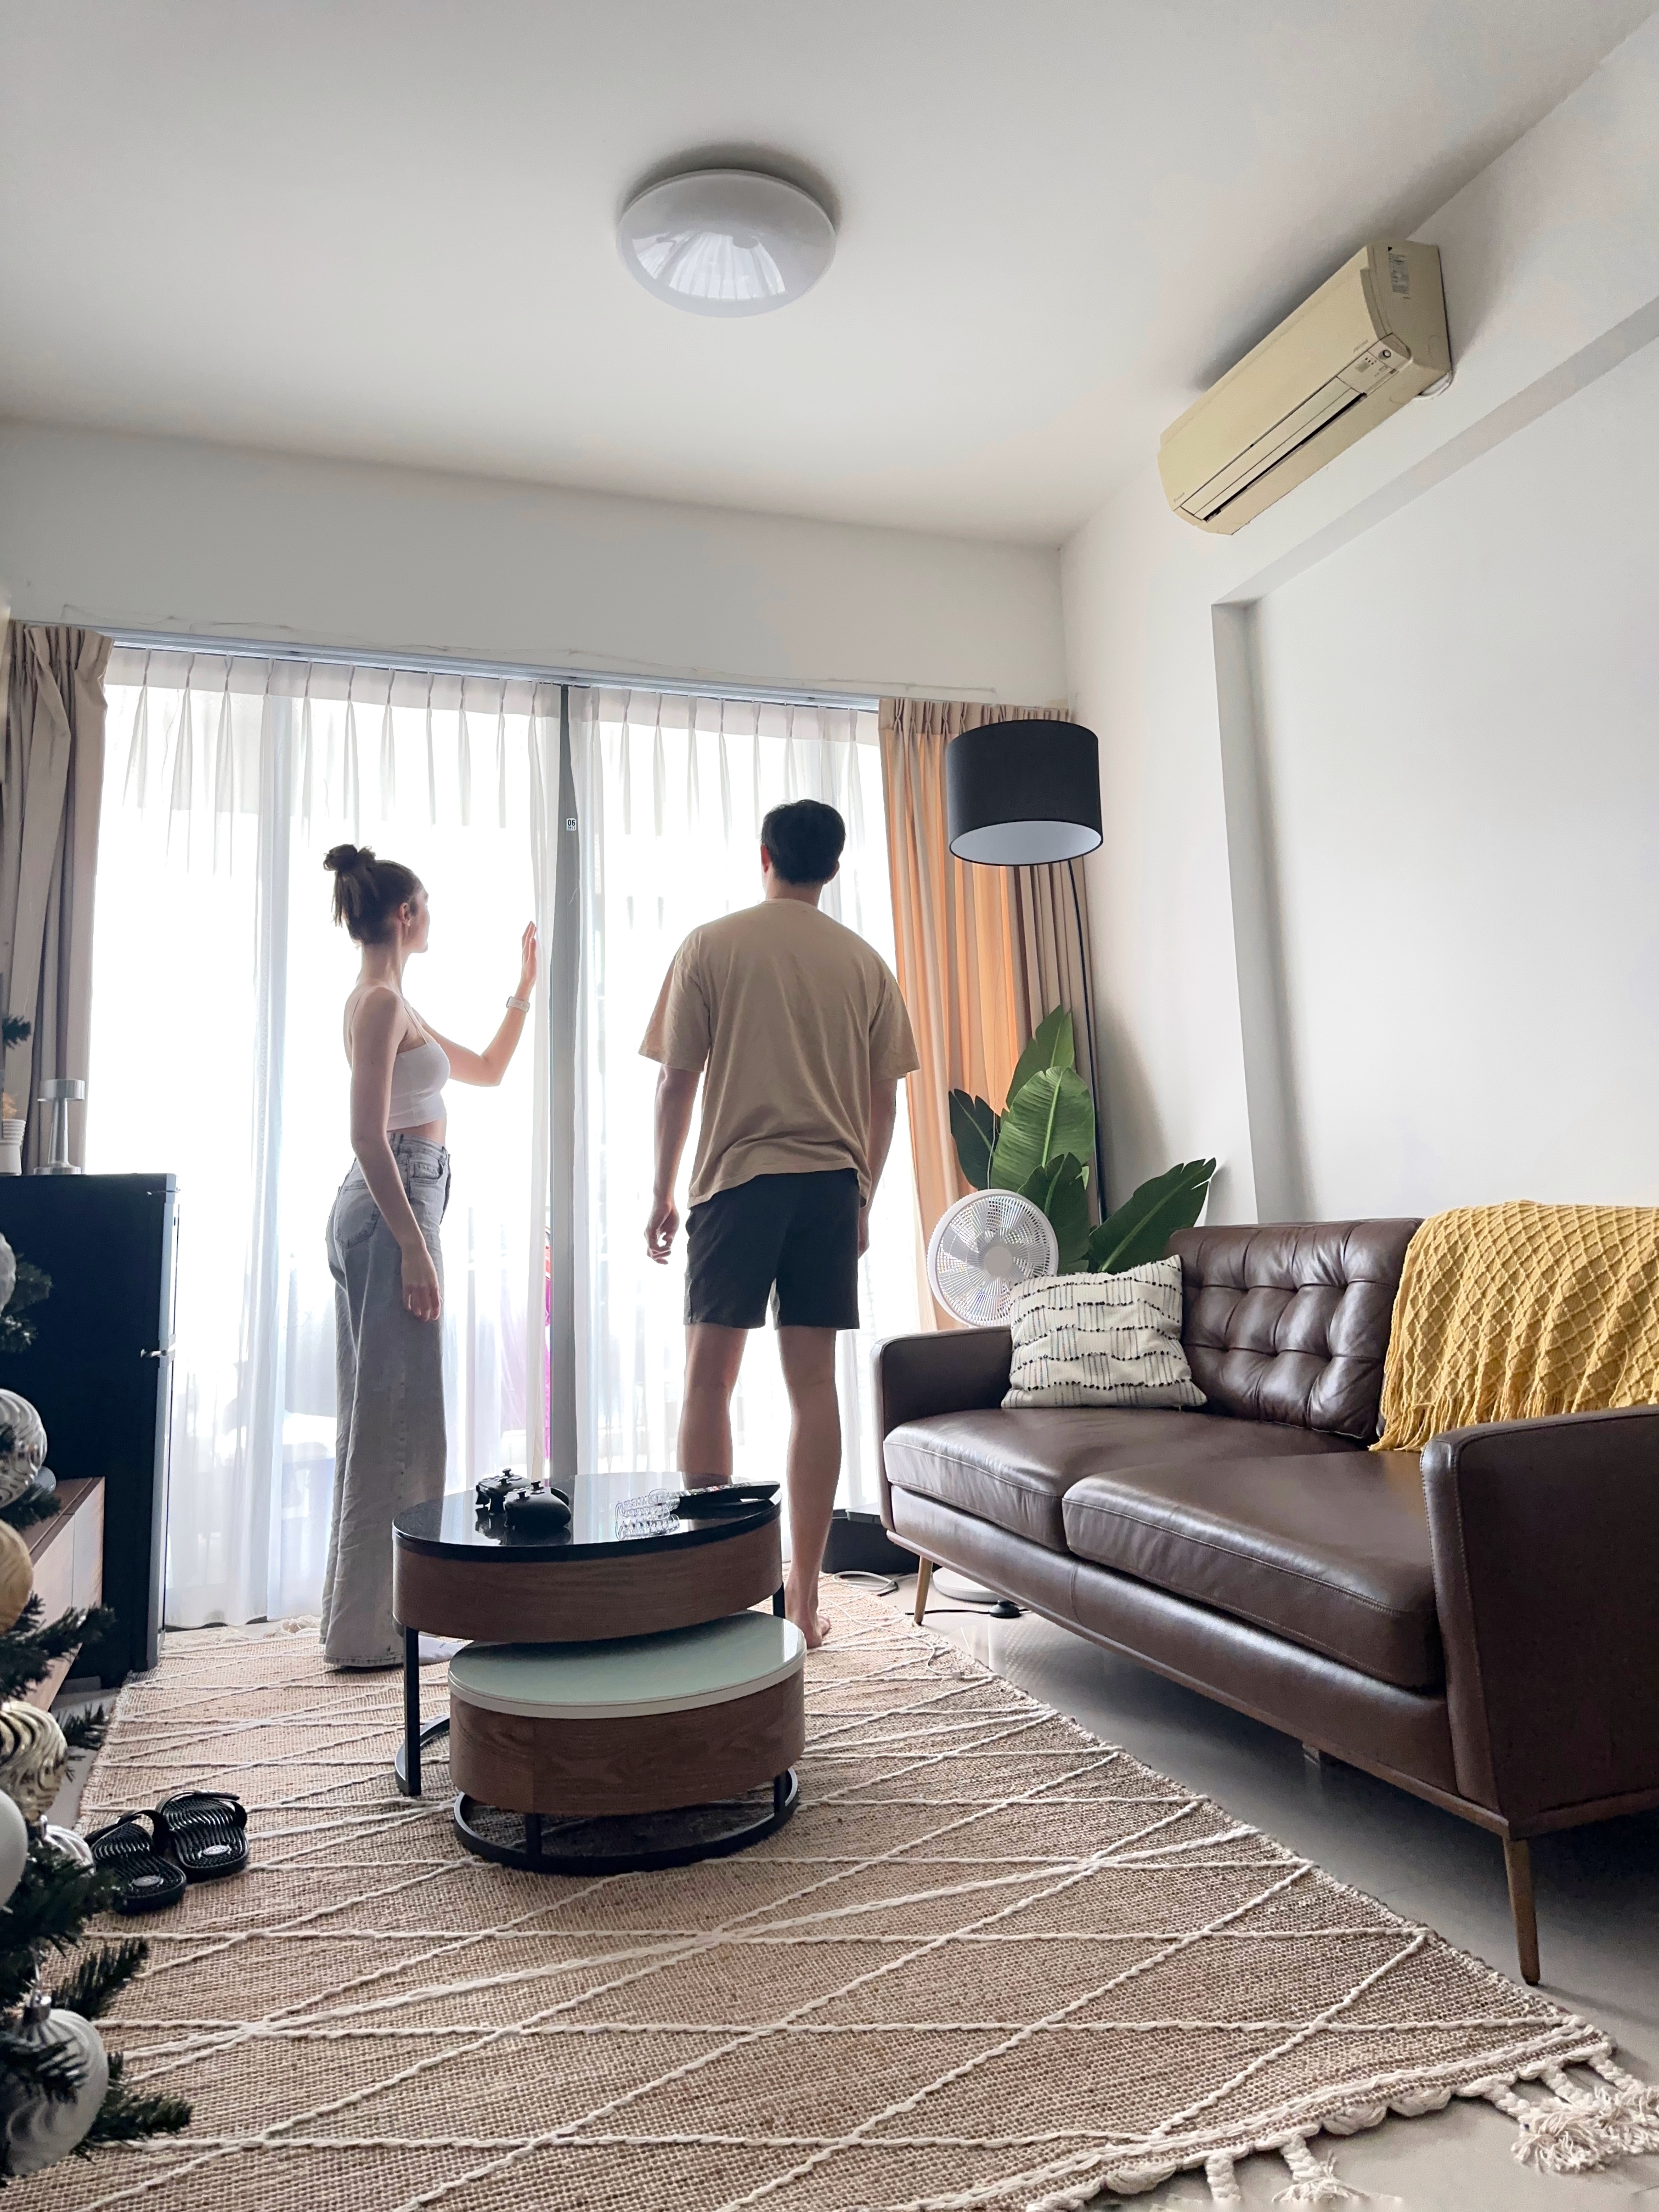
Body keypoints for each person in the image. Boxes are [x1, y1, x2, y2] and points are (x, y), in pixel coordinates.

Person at [642, 799, 919, 1649]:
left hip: (736, 1185)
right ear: (833, 868)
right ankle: (802, 1596)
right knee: (812, 1388)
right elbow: (884, 1099)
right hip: (829, 1190)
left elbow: (677, 1081)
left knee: (708, 1382)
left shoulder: (712, 945)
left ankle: (710, 1590)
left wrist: (662, 1189)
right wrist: (863, 1194)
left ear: (763, 854)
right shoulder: (866, 964)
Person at [321, 843, 537, 1670]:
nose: (432, 918)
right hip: (394, 1203)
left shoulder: (389, 1001)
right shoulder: (378, 1004)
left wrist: (520, 989)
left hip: (399, 1198)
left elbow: (484, 1070)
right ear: (405, 915)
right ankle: (384, 1629)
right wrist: (414, 1243)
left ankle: (367, 1623)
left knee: (384, 1414)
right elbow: (365, 1135)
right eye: (429, 907)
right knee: (402, 1419)